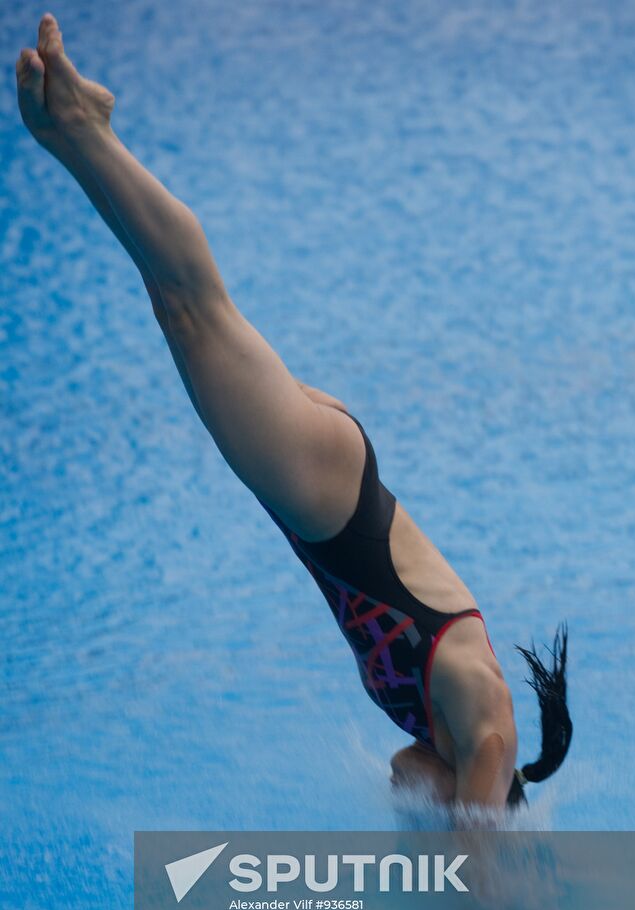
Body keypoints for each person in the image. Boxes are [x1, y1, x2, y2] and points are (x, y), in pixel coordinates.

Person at [15, 14, 573, 811]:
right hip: (328, 496)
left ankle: (73, 139)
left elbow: (406, 776)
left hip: (327, 499)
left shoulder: (441, 744)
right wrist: (515, 887)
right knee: (196, 310)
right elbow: (478, 876)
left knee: (180, 309)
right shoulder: (487, 732)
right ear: (495, 792)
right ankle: (87, 130)